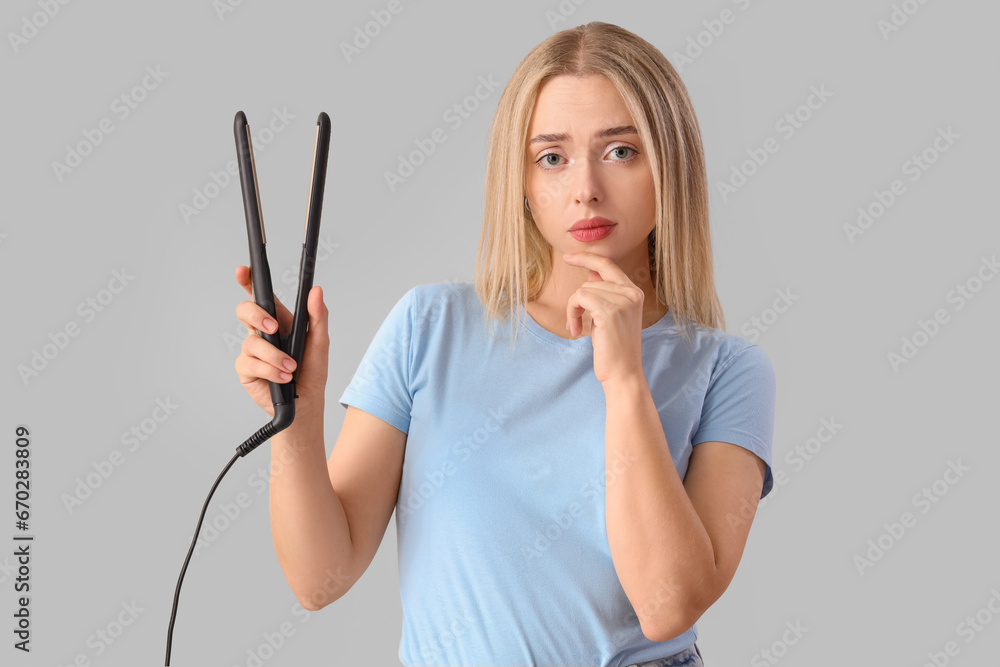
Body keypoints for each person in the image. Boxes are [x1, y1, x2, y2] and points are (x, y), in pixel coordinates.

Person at [233, 21, 774, 667]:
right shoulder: (429, 325)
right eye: (552, 157)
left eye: (621, 150)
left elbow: (667, 605)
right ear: (518, 179)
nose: (585, 189)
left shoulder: (727, 370)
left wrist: (625, 381)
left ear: (670, 162)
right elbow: (319, 579)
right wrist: (297, 414)